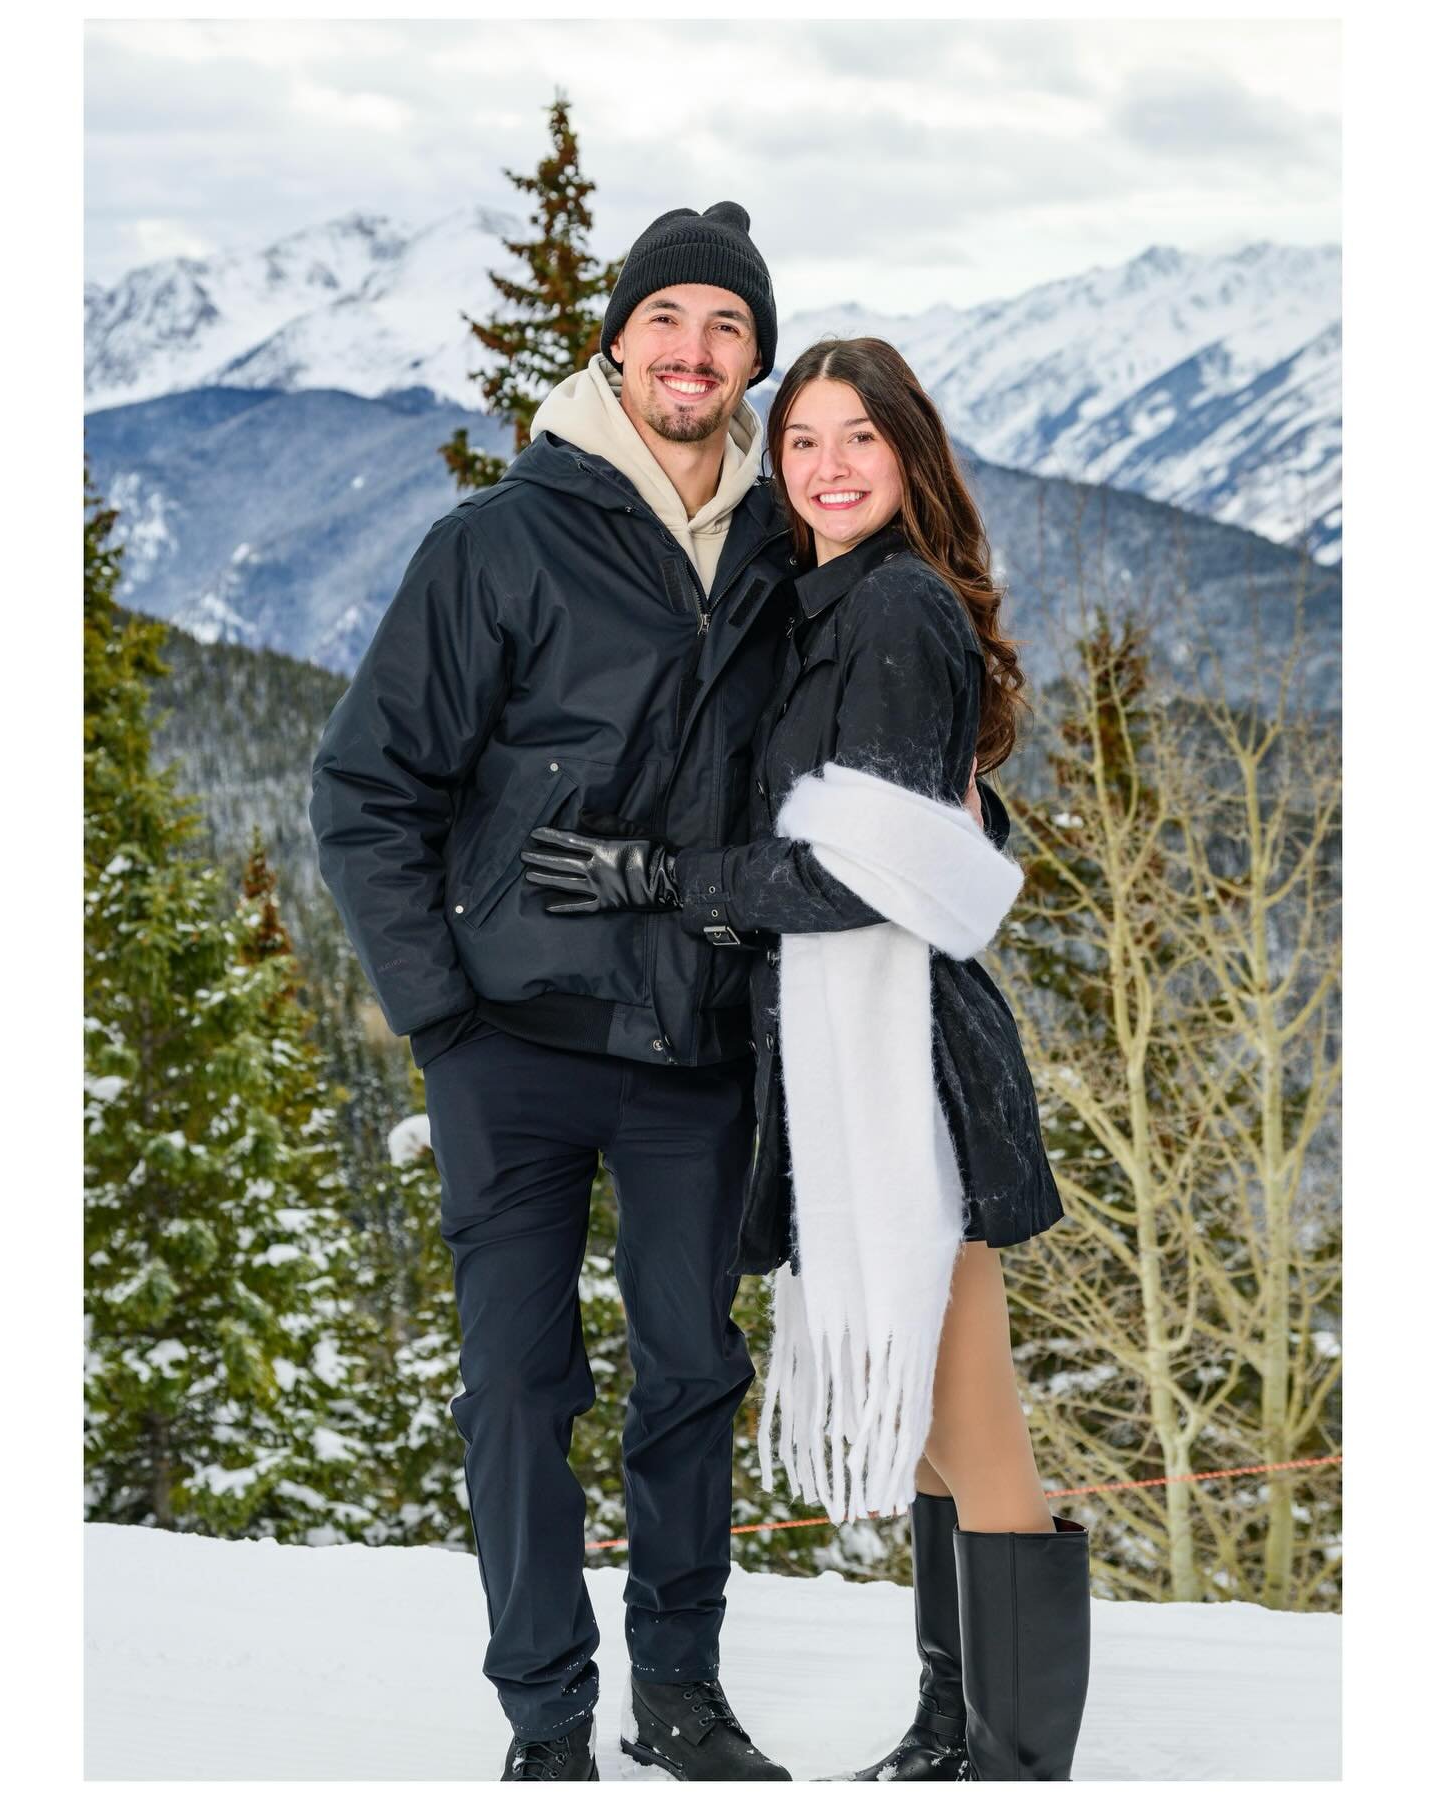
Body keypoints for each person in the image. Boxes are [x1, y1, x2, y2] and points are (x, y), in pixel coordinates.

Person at [520, 336, 1094, 1782]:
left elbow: (867, 880)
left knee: (970, 1427)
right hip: (862, 1064)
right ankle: (953, 1729)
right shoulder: (834, 600)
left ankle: (1011, 1759)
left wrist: (662, 878)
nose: (829, 467)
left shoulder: (895, 610)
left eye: (860, 440)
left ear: (910, 459)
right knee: (920, 1428)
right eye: (807, 442)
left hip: (915, 1080)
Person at [311, 202, 814, 1782]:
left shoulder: (789, 555)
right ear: (616, 342)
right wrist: (439, 1015)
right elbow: (363, 788)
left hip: (694, 1043)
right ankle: (546, 1720)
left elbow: (864, 747)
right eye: (669, 318)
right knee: (519, 1385)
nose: (695, 350)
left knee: (690, 1373)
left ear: (755, 361)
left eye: (727, 327)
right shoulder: (498, 542)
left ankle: (680, 1695)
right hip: (510, 1045)